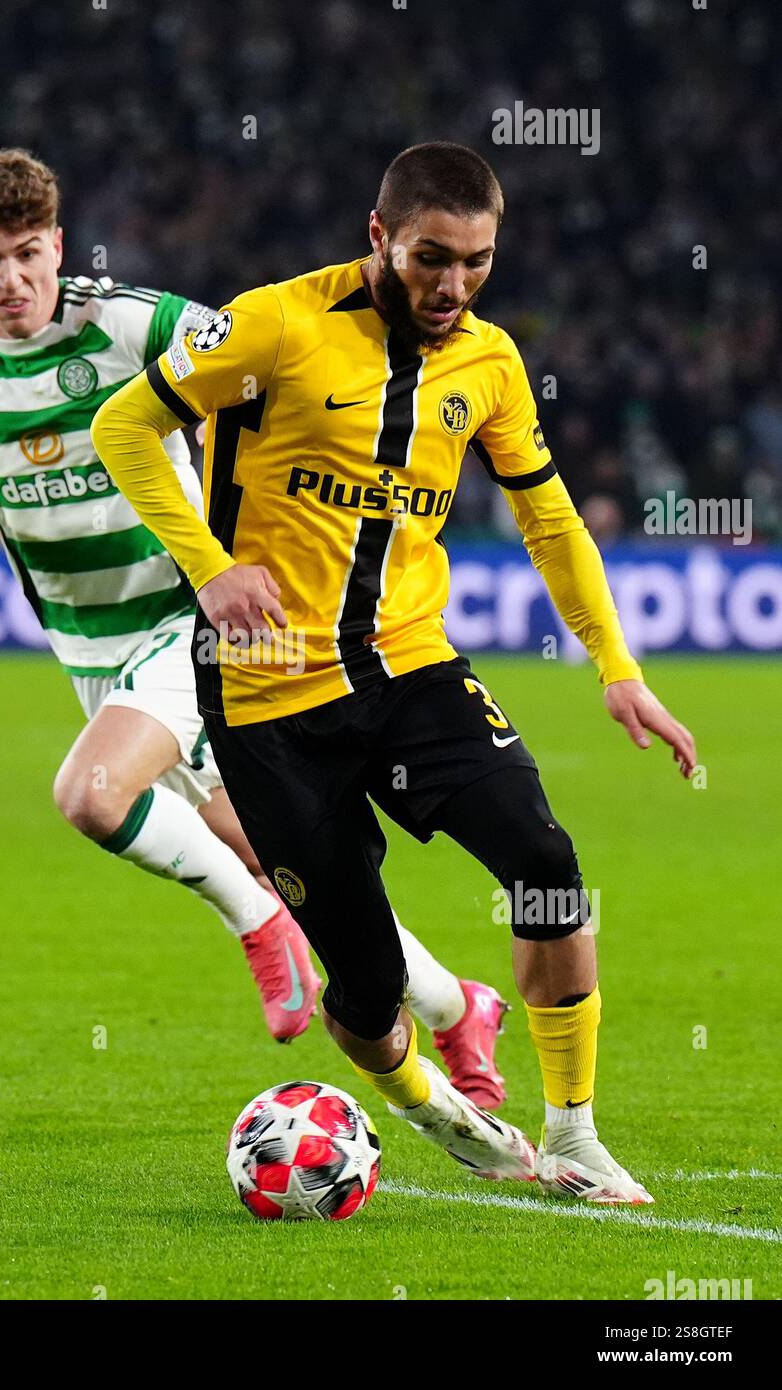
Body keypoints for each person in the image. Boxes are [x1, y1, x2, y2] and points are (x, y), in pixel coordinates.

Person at [0, 149, 512, 1090]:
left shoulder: (127, 321)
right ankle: (459, 1007)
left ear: (57, 244)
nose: (11, 280)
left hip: (195, 628)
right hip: (92, 657)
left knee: (92, 795)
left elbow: (261, 363)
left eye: (27, 254)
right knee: (281, 862)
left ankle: (258, 929)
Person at [90, 141, 698, 1203]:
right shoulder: (276, 324)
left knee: (547, 867)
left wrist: (618, 664)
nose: (453, 286)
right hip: (269, 690)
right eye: (431, 259)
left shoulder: (491, 365)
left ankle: (573, 1133)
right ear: (380, 235)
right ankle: (434, 1108)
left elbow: (547, 516)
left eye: (476, 263)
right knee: (366, 988)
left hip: (410, 667)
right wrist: (213, 568)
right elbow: (125, 424)